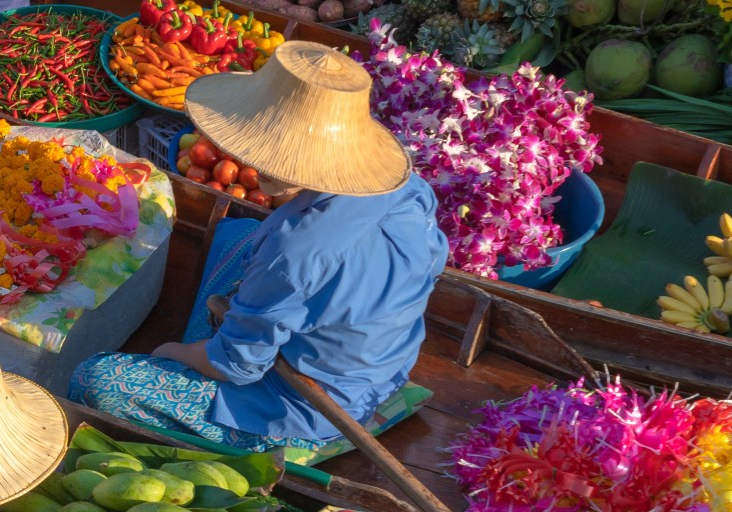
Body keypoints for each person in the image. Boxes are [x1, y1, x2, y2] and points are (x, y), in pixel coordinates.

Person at [69, 41, 450, 451]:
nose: (251, 161)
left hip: (303, 406)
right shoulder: (409, 188)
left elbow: (236, 366)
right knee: (238, 234)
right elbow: (430, 265)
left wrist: (172, 351)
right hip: (382, 360)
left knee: (96, 379)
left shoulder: (296, 247)